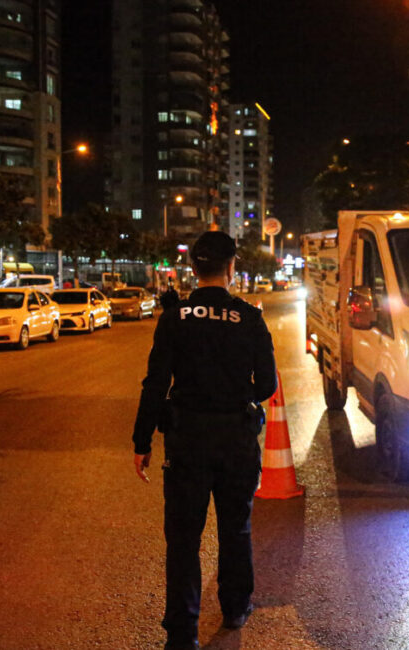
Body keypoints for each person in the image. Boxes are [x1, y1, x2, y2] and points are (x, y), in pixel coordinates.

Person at [132, 231, 277, 650]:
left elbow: (155, 384)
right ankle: (234, 607)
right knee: (236, 528)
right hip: (235, 439)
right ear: (231, 268)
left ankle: (182, 634)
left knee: (183, 539)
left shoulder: (174, 318)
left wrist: (142, 441)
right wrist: (235, 396)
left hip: (187, 440)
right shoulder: (249, 317)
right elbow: (266, 384)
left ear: (193, 269)